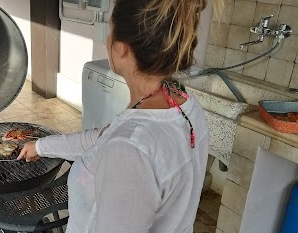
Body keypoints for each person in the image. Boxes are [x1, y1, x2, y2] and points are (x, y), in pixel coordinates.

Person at [17, 0, 212, 232]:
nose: (107, 40)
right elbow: (102, 138)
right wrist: (40, 146)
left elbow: (122, 144)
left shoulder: (130, 147)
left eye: (110, 31)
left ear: (122, 48)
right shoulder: (186, 106)